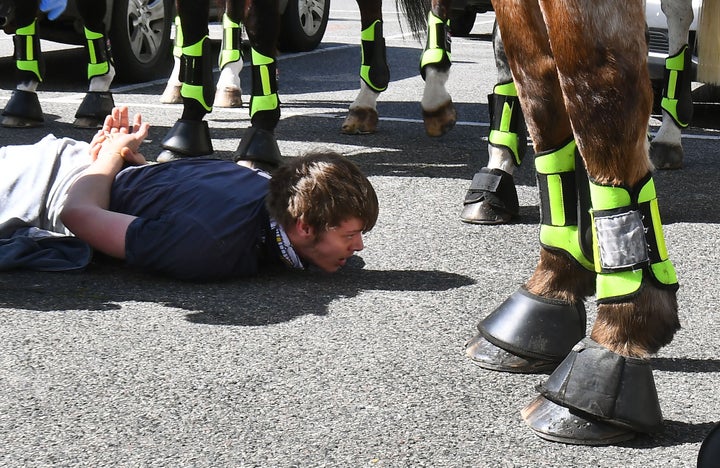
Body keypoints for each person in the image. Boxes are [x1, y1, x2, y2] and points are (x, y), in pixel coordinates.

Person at [0, 106, 379, 280]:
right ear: (304, 226)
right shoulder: (210, 245)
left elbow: (167, 183)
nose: (359, 247)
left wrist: (120, 158)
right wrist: (113, 154)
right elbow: (78, 214)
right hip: (34, 187)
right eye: (349, 235)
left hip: (73, 162)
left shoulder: (264, 184)